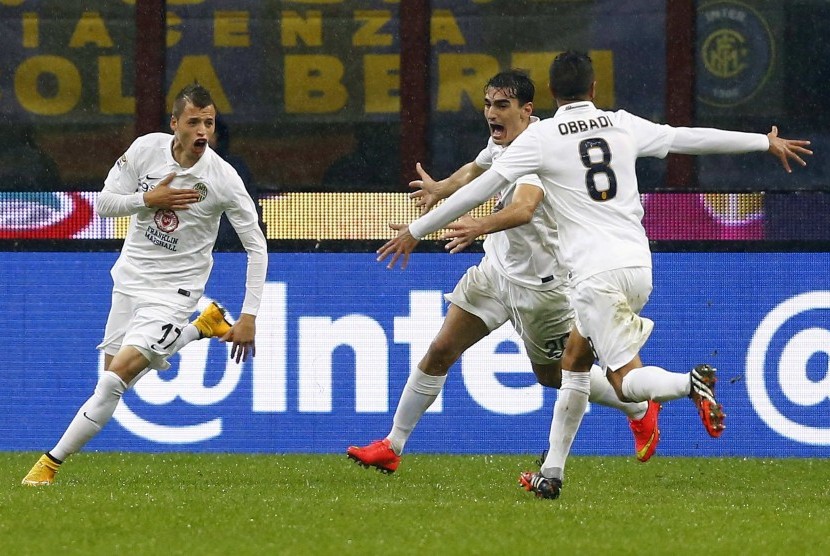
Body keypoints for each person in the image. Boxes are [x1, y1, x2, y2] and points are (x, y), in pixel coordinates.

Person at [376, 51, 812, 499]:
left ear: (547, 96)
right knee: (574, 366)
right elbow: (686, 137)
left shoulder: (541, 138)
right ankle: (551, 472)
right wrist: (762, 141)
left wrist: (414, 230)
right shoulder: (620, 123)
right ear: (594, 89)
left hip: (592, 277)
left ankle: (687, 384)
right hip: (638, 264)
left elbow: (484, 191)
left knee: (623, 378)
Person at [347, 70, 661, 475]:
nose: (491, 114)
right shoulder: (502, 141)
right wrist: (443, 187)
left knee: (554, 376)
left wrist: (477, 226)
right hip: (495, 273)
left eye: (502, 105)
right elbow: (477, 168)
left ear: (527, 110)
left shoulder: (543, 148)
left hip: (542, 289)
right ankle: (393, 445)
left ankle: (637, 405)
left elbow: (525, 207)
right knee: (441, 349)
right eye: (487, 104)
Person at [21, 83, 268, 486]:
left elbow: (257, 249)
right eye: (194, 122)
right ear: (175, 124)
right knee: (113, 384)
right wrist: (148, 200)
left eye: (209, 122)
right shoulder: (144, 150)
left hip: (174, 293)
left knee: (111, 381)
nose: (202, 130)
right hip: (129, 279)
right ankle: (199, 329)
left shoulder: (223, 179)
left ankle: (48, 465)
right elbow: (103, 203)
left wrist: (250, 315)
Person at [210, 115, 266, 250]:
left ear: (218, 137)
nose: (201, 135)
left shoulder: (235, 168)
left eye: (209, 129)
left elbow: (248, 215)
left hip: (232, 251)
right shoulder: (178, 167)